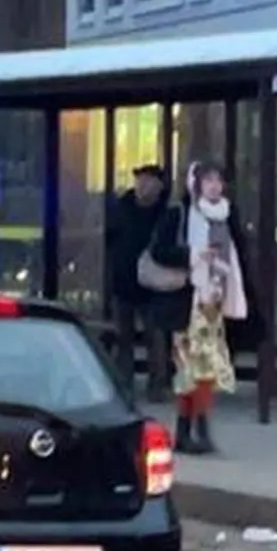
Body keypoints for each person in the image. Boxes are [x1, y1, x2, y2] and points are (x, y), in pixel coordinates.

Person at [158, 159, 249, 455]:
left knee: (204, 369)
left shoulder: (225, 215)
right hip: (187, 302)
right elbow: (160, 250)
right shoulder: (180, 214)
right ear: (195, 184)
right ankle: (194, 430)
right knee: (191, 369)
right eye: (208, 180)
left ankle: (192, 429)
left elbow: (236, 256)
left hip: (214, 303)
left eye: (218, 180)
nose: (214, 186)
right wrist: (195, 255)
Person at [107, 164, 171, 399]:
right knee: (123, 338)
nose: (143, 186)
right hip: (123, 283)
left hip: (154, 286)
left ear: (159, 186)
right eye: (140, 181)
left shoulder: (165, 212)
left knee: (155, 337)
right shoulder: (122, 207)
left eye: (148, 181)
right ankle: (124, 385)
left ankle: (157, 385)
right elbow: (110, 240)